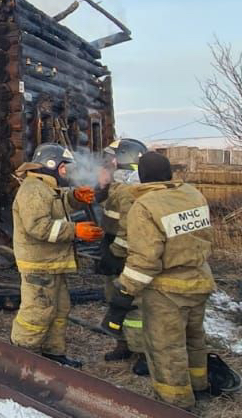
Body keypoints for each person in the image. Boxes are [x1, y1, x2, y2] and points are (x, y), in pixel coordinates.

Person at [100, 152, 214, 409]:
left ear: (141, 176)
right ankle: (200, 387)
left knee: (166, 348)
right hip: (199, 279)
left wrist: (124, 292)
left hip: (166, 290)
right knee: (194, 339)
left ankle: (174, 405)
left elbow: (145, 259)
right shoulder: (193, 195)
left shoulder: (146, 205)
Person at [11, 143, 101, 368]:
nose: (65, 172)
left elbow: (57, 205)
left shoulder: (47, 187)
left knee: (60, 309)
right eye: (63, 167)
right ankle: (21, 358)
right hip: (38, 264)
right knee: (37, 312)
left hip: (53, 263)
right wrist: (76, 231)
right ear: (50, 165)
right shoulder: (32, 189)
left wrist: (75, 198)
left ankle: (53, 354)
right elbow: (38, 227)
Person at [95, 138, 148, 360]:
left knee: (133, 304)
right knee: (114, 298)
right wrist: (102, 186)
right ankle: (124, 343)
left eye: (110, 159)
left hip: (125, 254)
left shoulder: (129, 190)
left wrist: (116, 254)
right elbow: (104, 207)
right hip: (113, 246)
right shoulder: (118, 187)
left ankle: (142, 351)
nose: (107, 163)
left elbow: (128, 230)